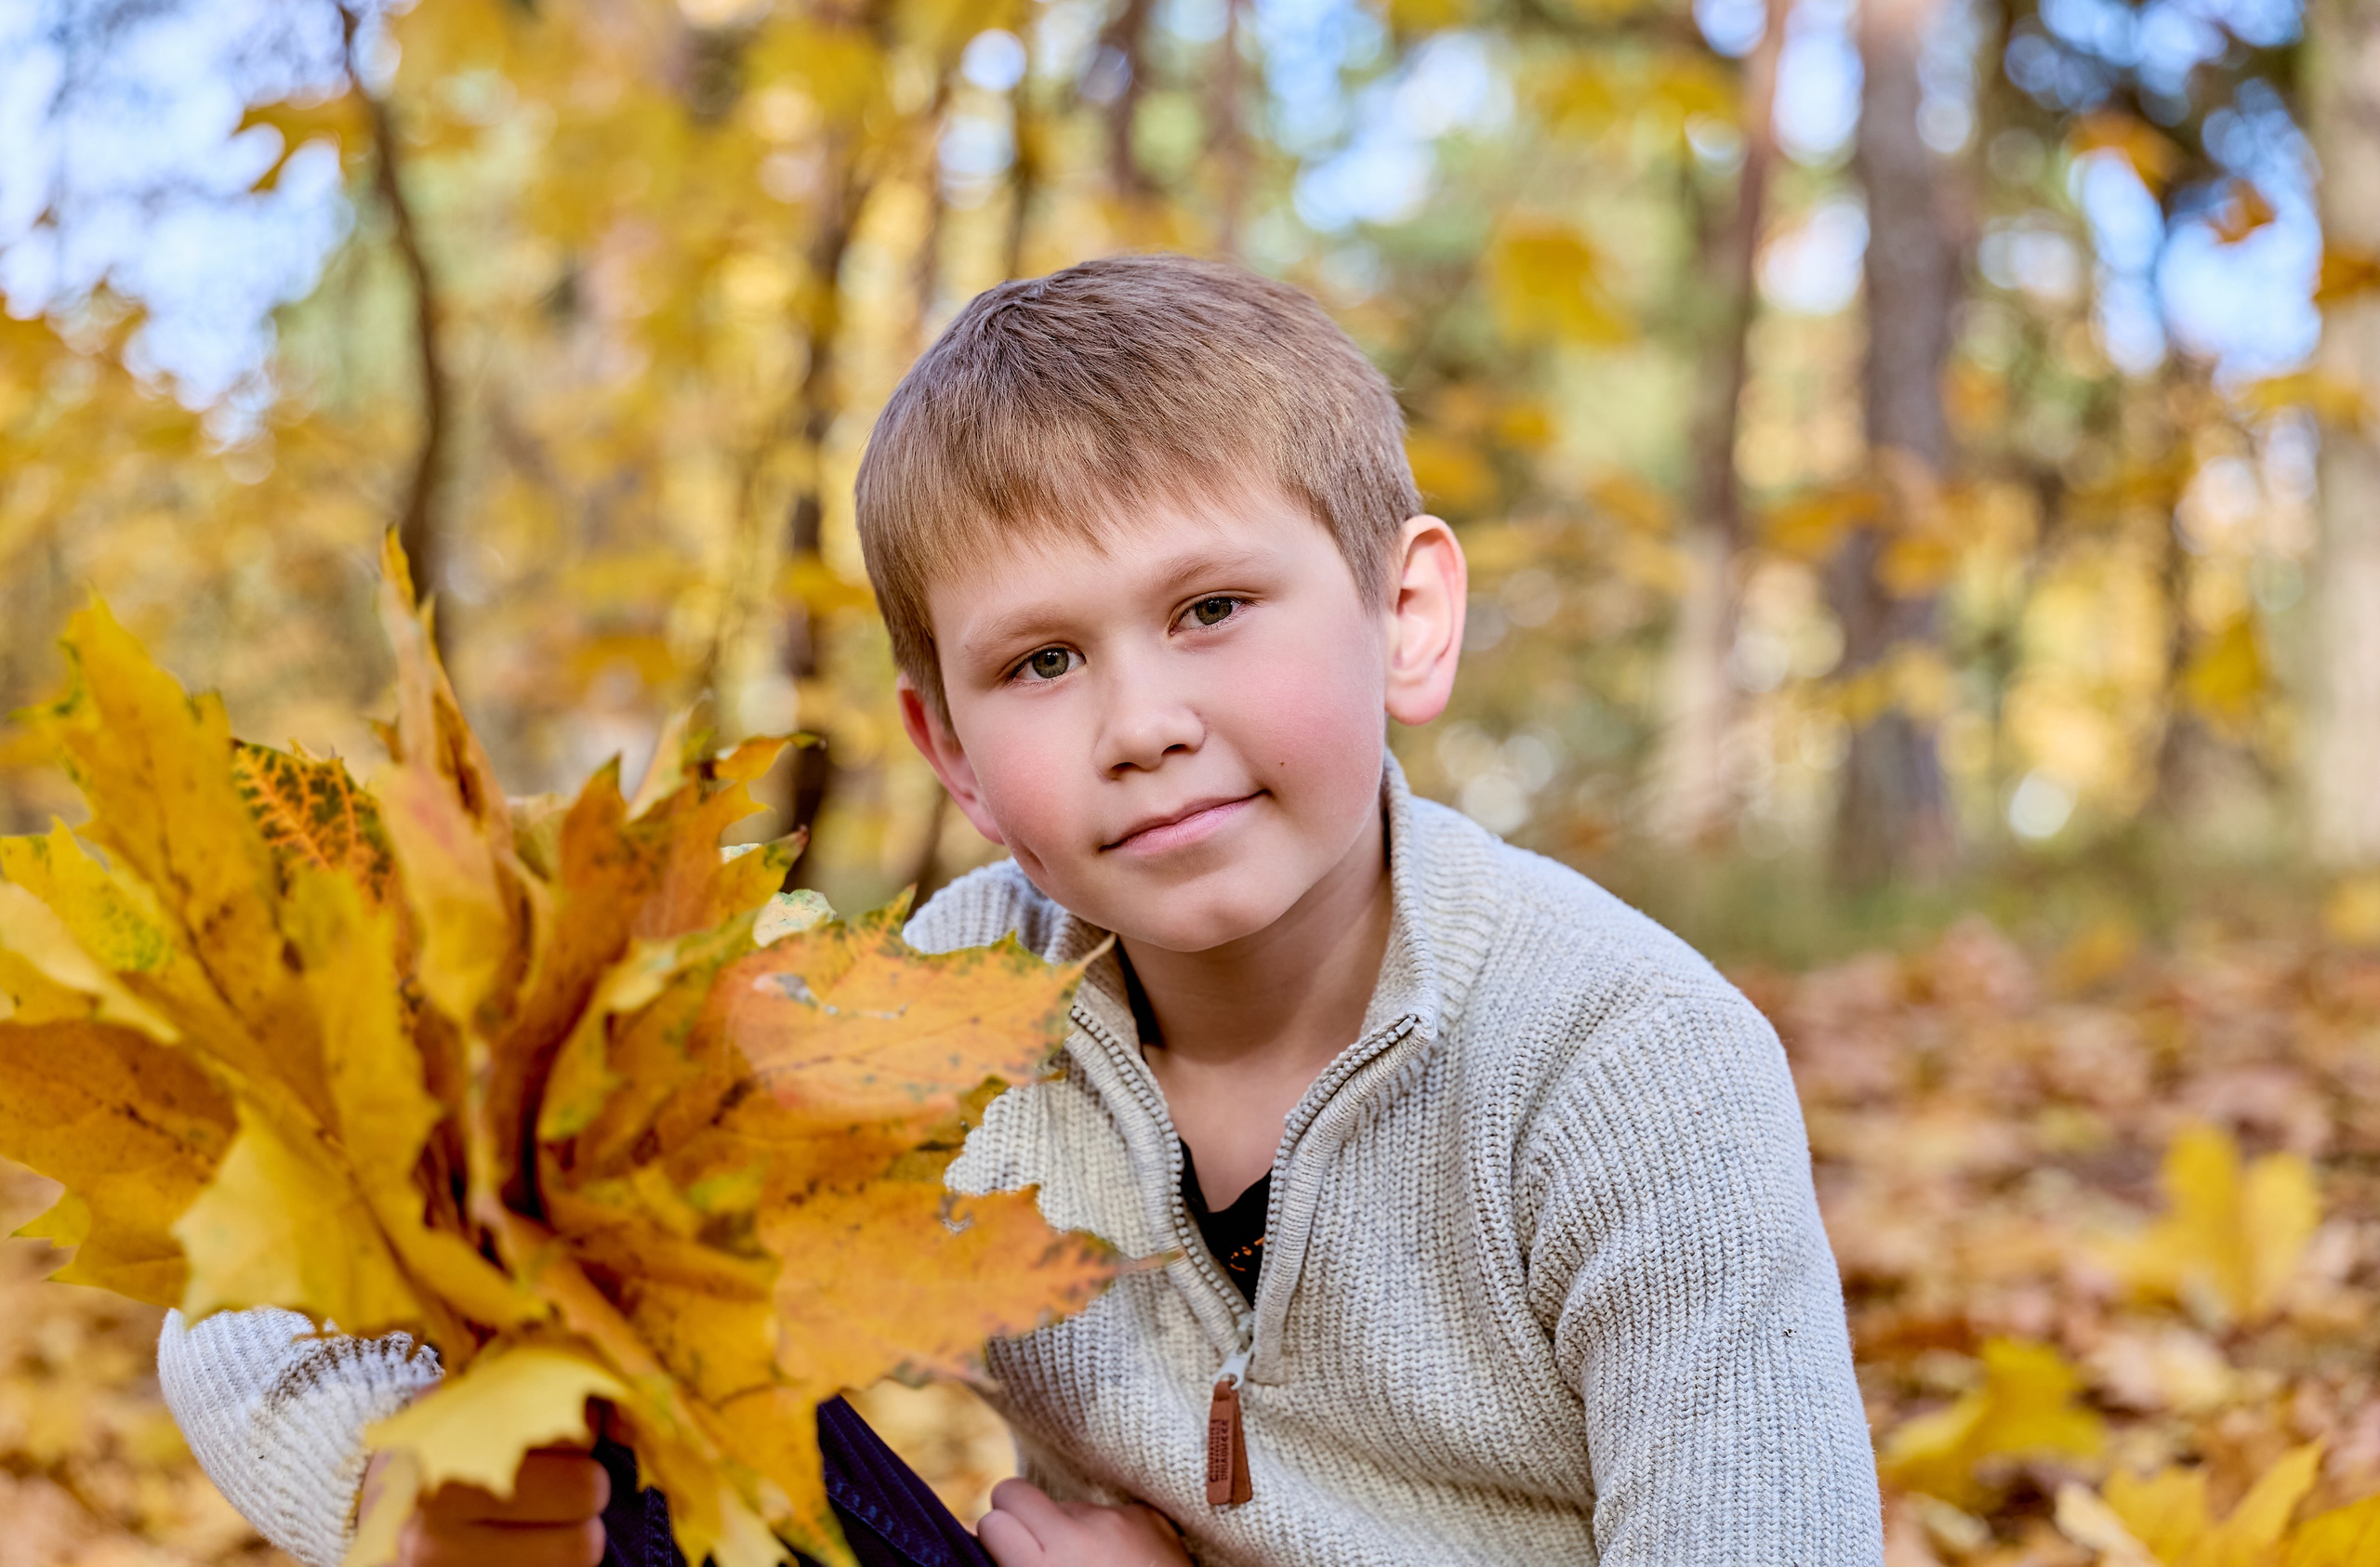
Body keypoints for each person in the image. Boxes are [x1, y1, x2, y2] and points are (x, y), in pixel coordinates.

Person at [157, 254, 1883, 1567]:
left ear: (1406, 618)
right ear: (956, 753)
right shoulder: (938, 1018)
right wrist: (414, 1494)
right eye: (1044, 661)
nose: (1142, 723)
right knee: (590, 1390)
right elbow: (274, 1271)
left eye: (1212, 608)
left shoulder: (1628, 1071)